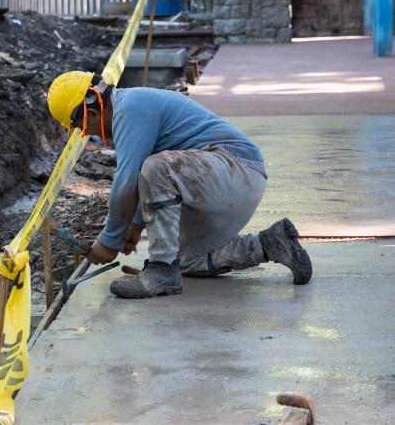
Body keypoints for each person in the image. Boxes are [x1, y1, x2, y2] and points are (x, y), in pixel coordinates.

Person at [46, 71, 312, 299]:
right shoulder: (131, 107)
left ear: (92, 111)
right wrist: (136, 224)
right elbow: (148, 180)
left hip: (237, 168)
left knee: (157, 167)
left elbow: (127, 180)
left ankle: (161, 270)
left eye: (83, 127)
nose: (88, 134)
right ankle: (270, 244)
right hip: (227, 183)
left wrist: (110, 240)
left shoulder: (129, 108)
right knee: (185, 261)